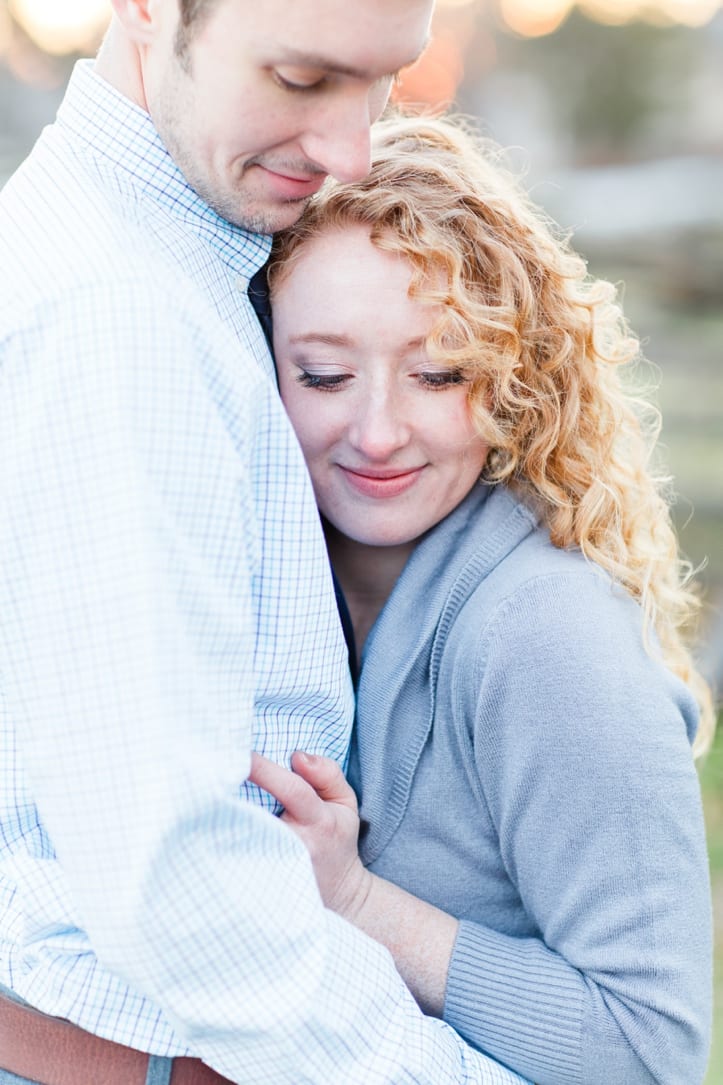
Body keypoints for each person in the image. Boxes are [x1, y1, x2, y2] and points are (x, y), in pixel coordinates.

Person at [0, 3, 531, 1084]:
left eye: (382, 83)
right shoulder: (123, 313)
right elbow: (177, 881)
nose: (350, 148)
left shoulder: (180, 256)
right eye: (300, 78)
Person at [251, 112, 716, 1085]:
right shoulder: (283, 583)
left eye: (439, 372)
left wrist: (359, 900)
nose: (378, 431)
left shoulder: (546, 632)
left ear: (514, 380)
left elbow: (651, 1043)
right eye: (325, 373)